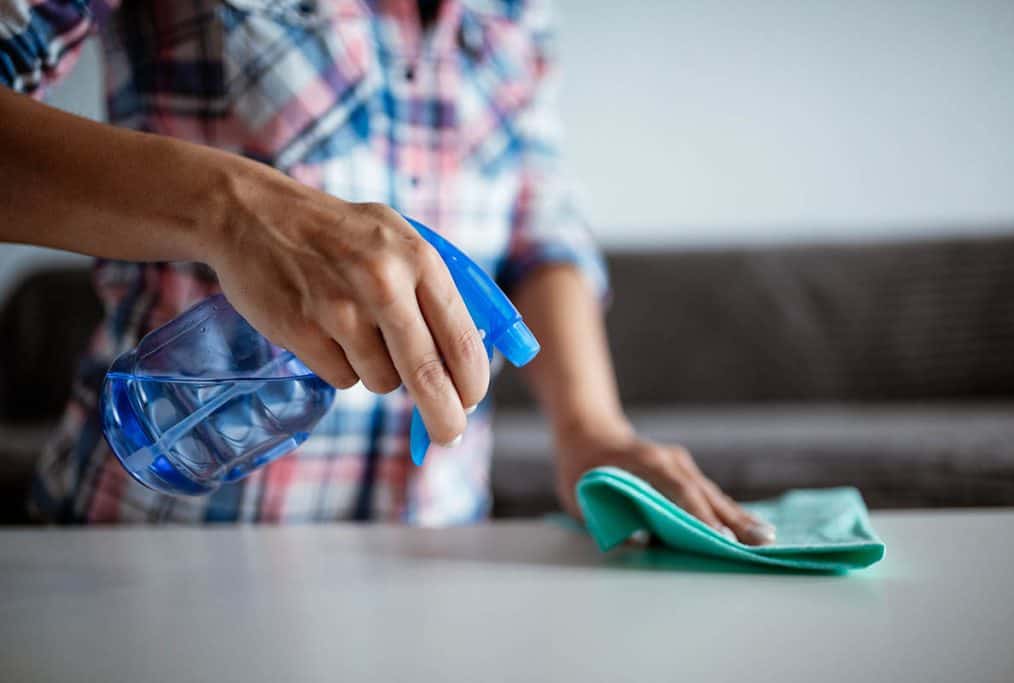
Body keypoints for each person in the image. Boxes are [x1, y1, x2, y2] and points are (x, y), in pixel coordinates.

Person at [0, 0, 774, 543]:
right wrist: (232, 208)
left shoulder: (519, 13)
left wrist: (590, 429)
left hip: (431, 559)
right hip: (157, 551)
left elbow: (541, 230)